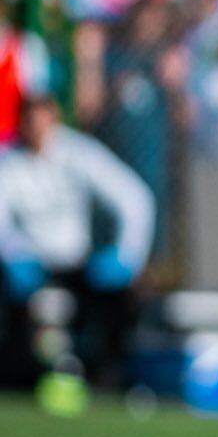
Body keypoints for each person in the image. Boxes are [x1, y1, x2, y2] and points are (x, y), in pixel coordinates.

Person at [0, 90, 155, 392]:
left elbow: (134, 198)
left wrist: (128, 254)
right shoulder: (8, 162)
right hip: (28, 266)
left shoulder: (80, 154)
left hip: (76, 265)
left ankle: (106, 375)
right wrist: (12, 252)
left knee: (121, 301)